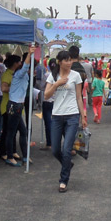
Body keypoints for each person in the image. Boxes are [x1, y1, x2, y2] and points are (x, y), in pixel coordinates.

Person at [45, 51, 87, 193]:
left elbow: (79, 97)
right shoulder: (53, 75)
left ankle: (63, 180)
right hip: (56, 116)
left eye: (70, 60)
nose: (69, 63)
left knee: (67, 149)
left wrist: (83, 115)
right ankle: (67, 164)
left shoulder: (75, 75)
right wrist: (56, 84)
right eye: (66, 60)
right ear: (59, 62)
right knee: (55, 149)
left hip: (72, 116)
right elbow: (46, 95)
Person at [2, 54, 30, 166]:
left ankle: (25, 156)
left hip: (16, 105)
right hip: (15, 105)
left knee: (22, 131)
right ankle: (9, 156)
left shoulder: (19, 74)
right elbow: (26, 66)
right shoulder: (19, 74)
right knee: (11, 132)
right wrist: (30, 53)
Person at [0, 54, 18, 159]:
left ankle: (13, 150)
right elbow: (4, 88)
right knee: (7, 131)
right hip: (7, 106)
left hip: (15, 106)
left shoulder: (16, 74)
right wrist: (15, 88)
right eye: (19, 62)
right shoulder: (7, 74)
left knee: (14, 131)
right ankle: (3, 152)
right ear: (15, 64)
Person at [40, 58, 57, 150]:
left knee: (48, 123)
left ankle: (49, 143)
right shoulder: (59, 75)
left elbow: (42, 87)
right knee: (58, 123)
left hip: (47, 100)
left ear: (49, 66)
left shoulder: (46, 75)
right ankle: (57, 143)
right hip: (57, 101)